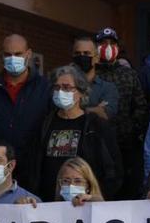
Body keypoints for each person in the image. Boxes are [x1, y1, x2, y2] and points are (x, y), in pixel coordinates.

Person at [32, 66, 121, 199]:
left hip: (87, 204)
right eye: (57, 88)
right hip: (49, 204)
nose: (60, 92)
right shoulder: (44, 124)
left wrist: (97, 198)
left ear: (81, 92)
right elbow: (33, 165)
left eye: (67, 87)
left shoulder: (96, 125)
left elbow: (114, 169)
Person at [0, 34, 51, 187]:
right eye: (8, 54)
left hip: (34, 171)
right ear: (2, 55)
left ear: (28, 54)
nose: (12, 58)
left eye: (18, 54)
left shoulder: (45, 89)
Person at [94, 28, 150, 200]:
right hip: (96, 143)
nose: (108, 47)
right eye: (103, 43)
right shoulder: (90, 74)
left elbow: (140, 106)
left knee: (126, 188)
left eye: (112, 43)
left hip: (125, 144)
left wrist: (131, 129)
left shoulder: (129, 74)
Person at [70, 35, 120, 120]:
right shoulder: (64, 85)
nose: (82, 56)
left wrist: (73, 110)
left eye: (87, 53)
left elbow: (106, 114)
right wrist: (94, 109)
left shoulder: (108, 88)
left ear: (97, 58)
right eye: (77, 53)